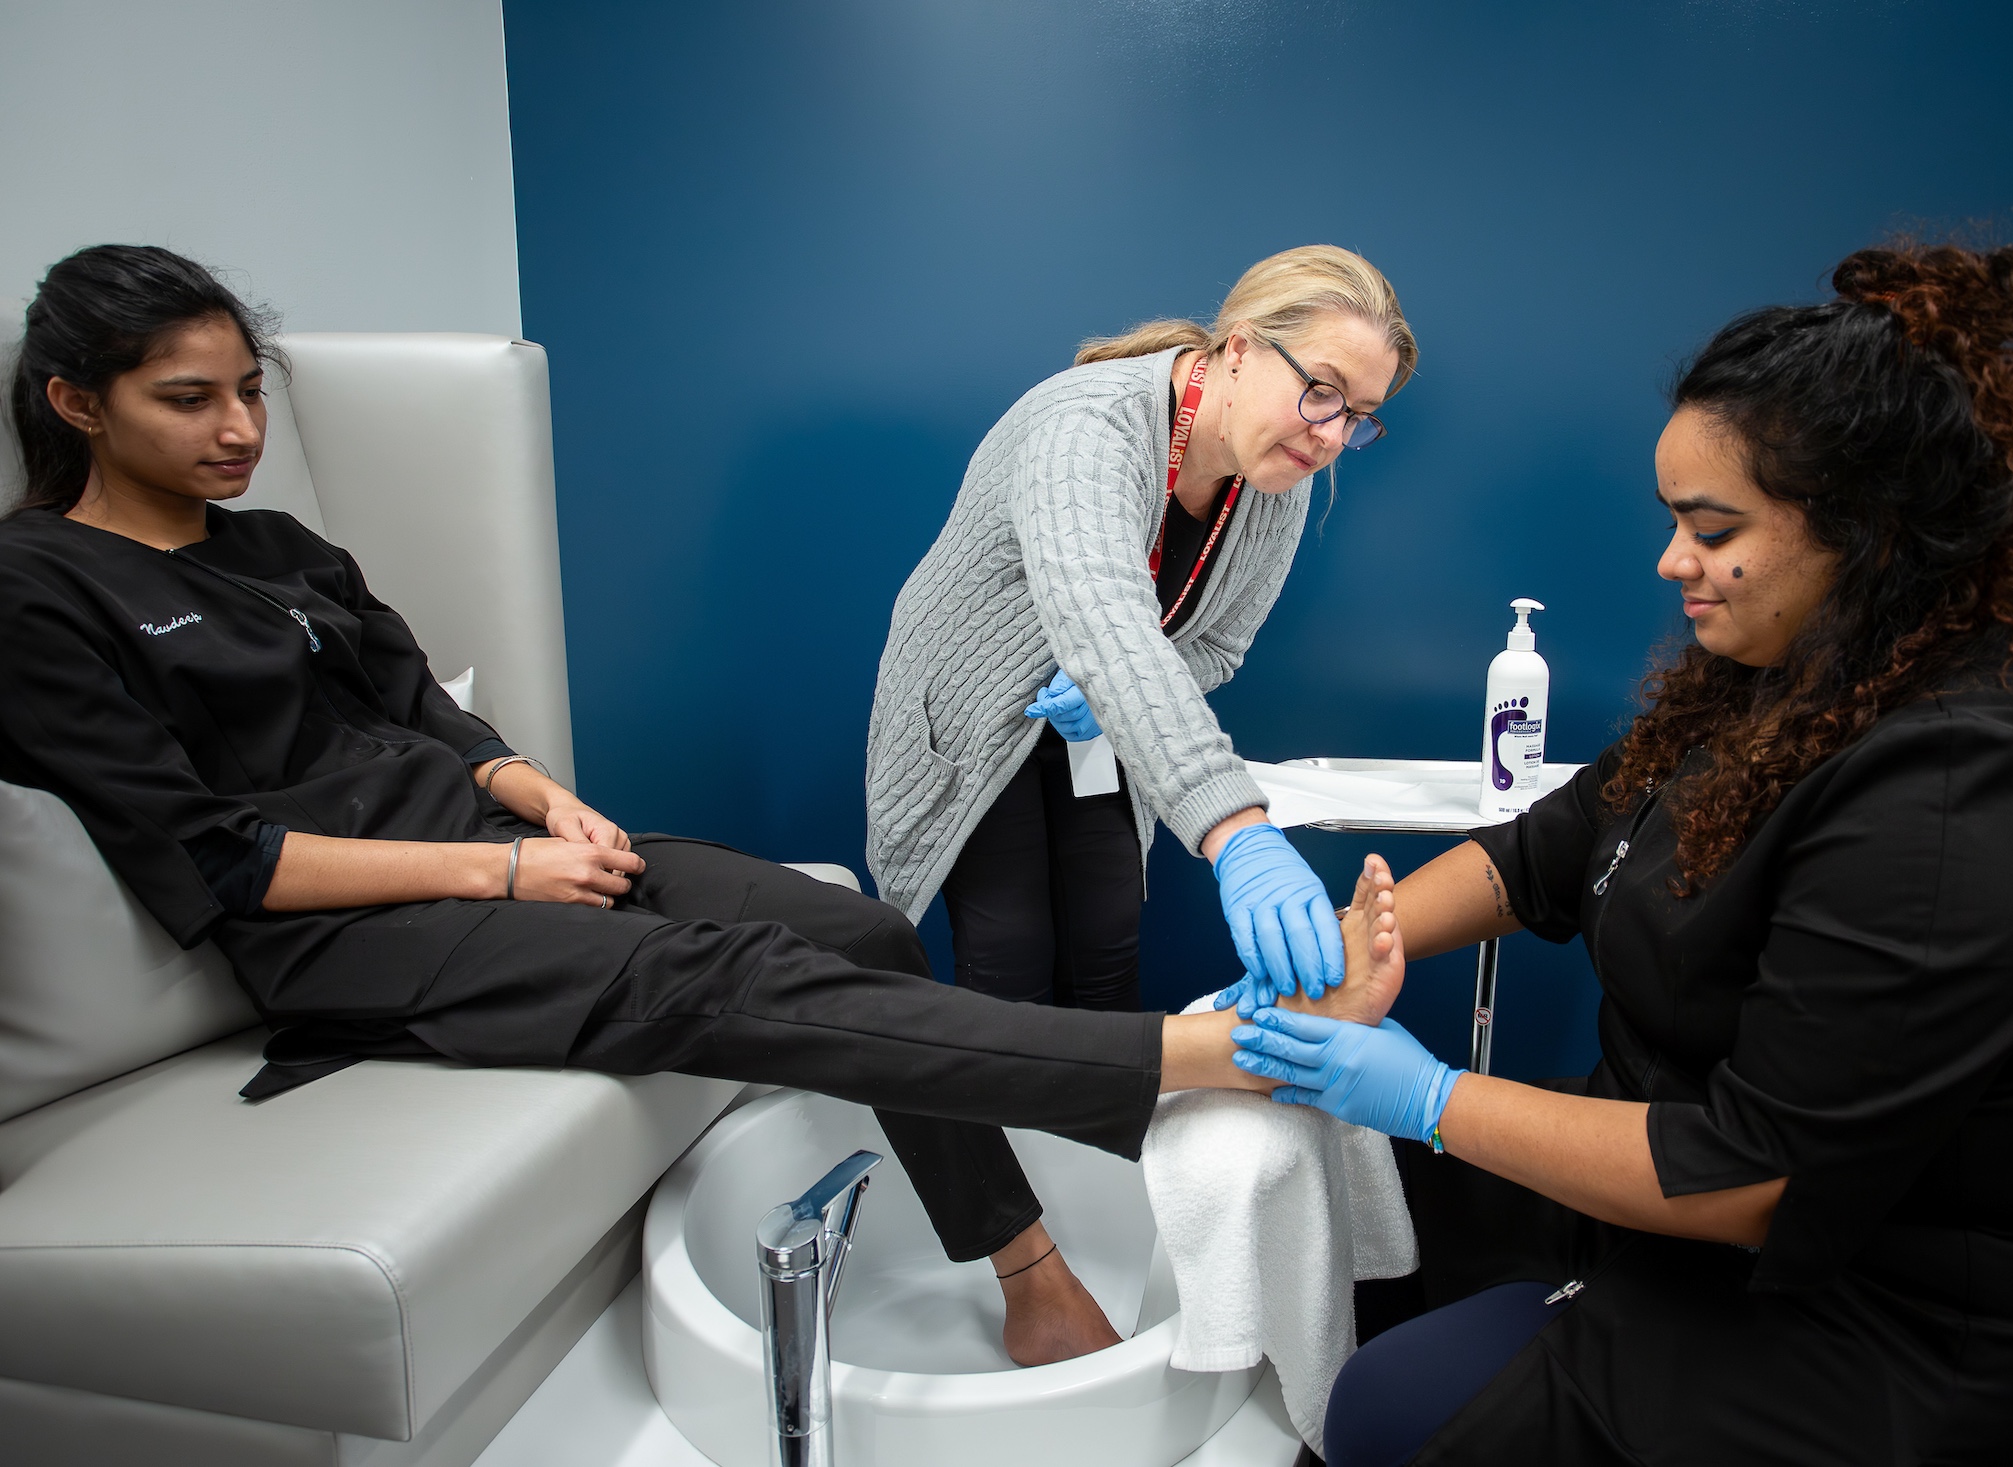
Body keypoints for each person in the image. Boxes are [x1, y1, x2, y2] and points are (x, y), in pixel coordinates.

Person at [0, 244, 1292, 1369]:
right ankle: (1161, 1104)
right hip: (346, 931)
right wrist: (503, 878)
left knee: (860, 928)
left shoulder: (281, 548)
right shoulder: (39, 587)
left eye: (247, 391)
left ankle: (1029, 1273)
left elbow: (429, 713)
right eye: (189, 399)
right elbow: (223, 860)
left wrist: (543, 804)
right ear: (76, 404)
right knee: (720, 974)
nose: (237, 427)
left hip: (488, 848)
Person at [1231, 242, 2013, 1465]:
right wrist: (1352, 949)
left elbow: (1752, 1179)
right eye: (1673, 522)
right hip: (1672, 1201)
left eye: (1713, 529)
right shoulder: (1767, 693)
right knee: (1358, 1230)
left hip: (1872, 1316)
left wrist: (1428, 1095)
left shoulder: (1958, 803)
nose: (1672, 563)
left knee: (1394, 1412)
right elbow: (1540, 857)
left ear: (1869, 535)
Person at [867, 245, 1415, 1013]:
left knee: (1106, 943)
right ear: (1240, 348)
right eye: (1321, 392)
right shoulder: (1087, 425)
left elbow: (1219, 645)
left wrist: (1112, 696)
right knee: (1011, 957)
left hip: (1111, 724)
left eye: (1357, 416)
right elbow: (1109, 630)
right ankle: (1008, 1134)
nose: (1329, 437)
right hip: (978, 713)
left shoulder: (1277, 474)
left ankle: (1097, 1136)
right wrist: (1237, 830)